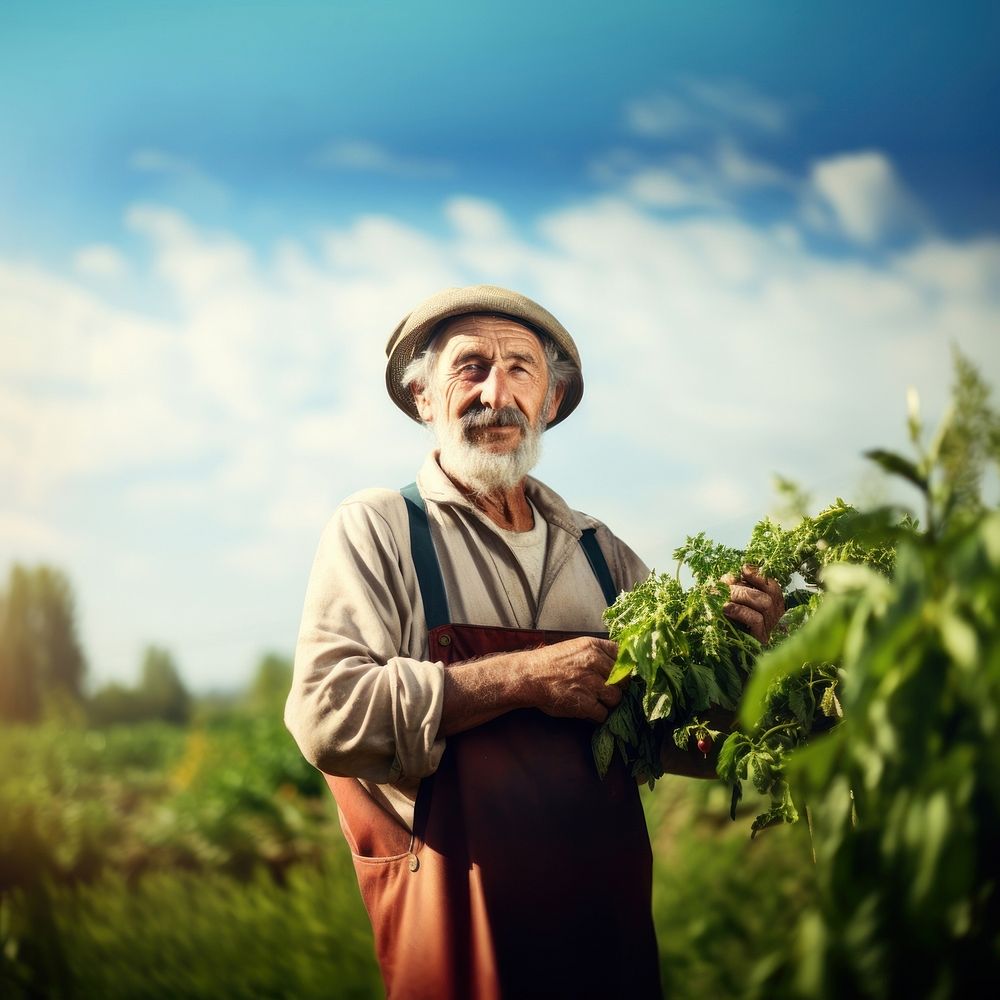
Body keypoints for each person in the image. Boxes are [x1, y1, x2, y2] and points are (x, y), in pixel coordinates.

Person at [284, 285, 784, 999]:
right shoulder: (380, 529)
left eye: (521, 369)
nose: (498, 392)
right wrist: (520, 680)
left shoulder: (599, 555)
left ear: (549, 403)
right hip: (458, 944)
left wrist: (745, 659)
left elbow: (681, 739)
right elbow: (325, 716)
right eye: (470, 367)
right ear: (424, 397)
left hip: (605, 939)